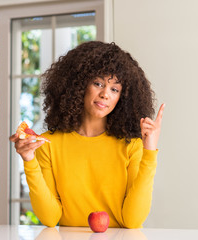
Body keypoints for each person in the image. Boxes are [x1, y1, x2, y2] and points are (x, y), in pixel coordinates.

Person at [9, 41, 165, 229]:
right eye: (98, 83)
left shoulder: (131, 146)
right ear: (79, 85)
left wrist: (149, 152)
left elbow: (132, 221)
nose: (105, 94)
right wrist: (29, 161)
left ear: (122, 97)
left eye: (114, 89)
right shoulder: (49, 144)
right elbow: (50, 218)